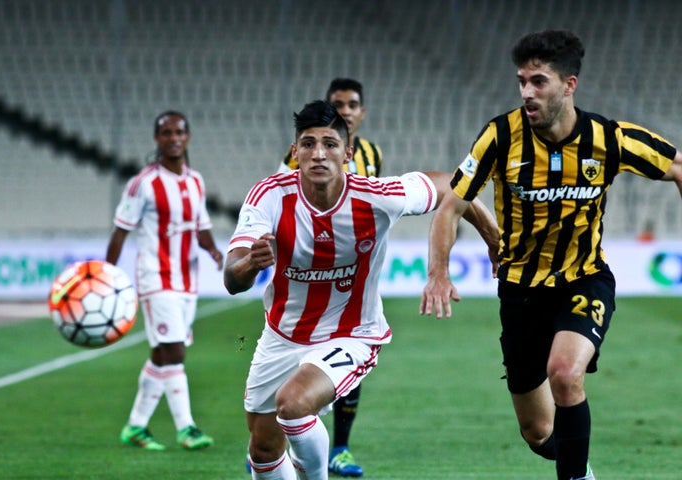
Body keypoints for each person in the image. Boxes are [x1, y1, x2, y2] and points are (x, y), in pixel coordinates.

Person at [420, 30, 682, 480]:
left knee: (564, 374)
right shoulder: (500, 137)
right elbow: (452, 205)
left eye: (539, 81)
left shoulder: (609, 138)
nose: (527, 91)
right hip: (520, 291)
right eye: (522, 81)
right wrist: (438, 272)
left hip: (584, 279)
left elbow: (677, 165)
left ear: (569, 84)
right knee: (539, 433)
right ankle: (579, 467)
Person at [225, 100, 499, 479]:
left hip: (352, 333)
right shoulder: (270, 196)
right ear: (294, 152)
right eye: (308, 144)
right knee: (264, 447)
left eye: (330, 144)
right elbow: (231, 278)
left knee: (292, 405)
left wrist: (493, 238)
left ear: (347, 152)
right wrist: (247, 265)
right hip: (282, 336)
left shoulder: (376, 197)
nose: (318, 153)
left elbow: (453, 185)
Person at [277, 77, 382, 477]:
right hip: (308, 282)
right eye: (338, 104)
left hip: (354, 278)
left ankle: (339, 448)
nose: (346, 110)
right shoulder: (302, 157)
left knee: (347, 369)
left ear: (361, 112)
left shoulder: (372, 154)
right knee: (295, 375)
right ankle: (281, 444)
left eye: (352, 104)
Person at [106, 110, 224, 451]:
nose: (174, 137)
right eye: (166, 132)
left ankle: (135, 426)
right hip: (155, 277)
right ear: (157, 139)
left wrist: (214, 252)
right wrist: (107, 276)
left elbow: (201, 227)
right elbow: (120, 231)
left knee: (162, 354)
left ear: (187, 137)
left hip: (187, 280)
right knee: (174, 352)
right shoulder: (143, 183)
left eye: (179, 132)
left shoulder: (195, 181)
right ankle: (186, 428)